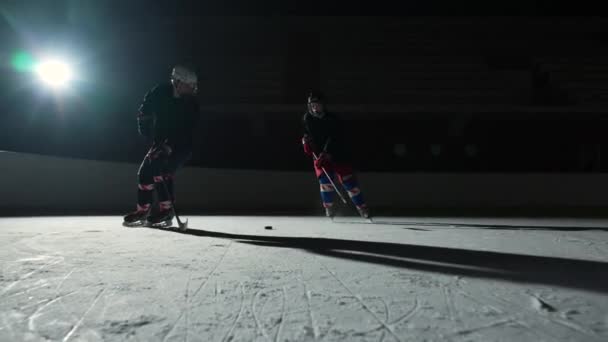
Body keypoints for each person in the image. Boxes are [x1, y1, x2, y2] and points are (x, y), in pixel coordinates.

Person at [123, 65, 200, 227]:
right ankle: (143, 209)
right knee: (145, 172)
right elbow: (145, 110)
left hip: (182, 145)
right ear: (177, 82)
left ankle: (166, 211)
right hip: (159, 141)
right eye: (189, 85)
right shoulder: (160, 91)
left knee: (162, 171)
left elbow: (186, 131)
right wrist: (146, 130)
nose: (193, 88)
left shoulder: (191, 104)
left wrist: (168, 147)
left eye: (194, 85)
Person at [301, 91, 370, 218]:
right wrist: (306, 143)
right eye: (312, 105)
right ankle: (329, 207)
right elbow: (309, 137)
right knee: (325, 181)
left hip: (338, 153)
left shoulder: (333, 119)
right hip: (320, 155)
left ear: (323, 105)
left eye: (317, 104)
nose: (315, 107)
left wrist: (327, 152)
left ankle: (362, 208)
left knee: (348, 181)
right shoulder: (308, 118)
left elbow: (335, 138)